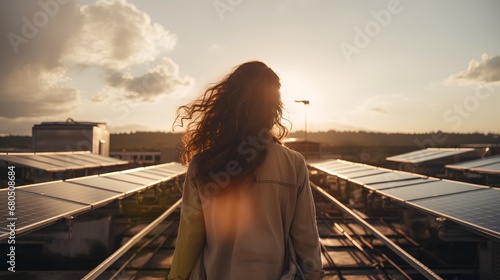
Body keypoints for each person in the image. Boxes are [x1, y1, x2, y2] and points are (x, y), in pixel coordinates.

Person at [168, 61, 322, 280]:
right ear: (274, 108)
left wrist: (176, 277)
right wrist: (313, 274)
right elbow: (306, 238)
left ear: (227, 106)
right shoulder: (293, 164)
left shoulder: (203, 164)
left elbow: (189, 238)